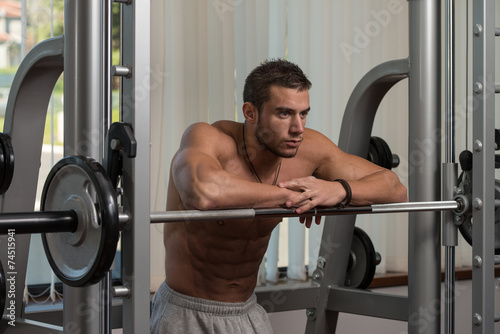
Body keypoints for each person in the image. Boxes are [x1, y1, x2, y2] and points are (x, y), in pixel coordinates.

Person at [150, 59, 407, 334]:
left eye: (303, 114)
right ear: (250, 112)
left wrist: (337, 190)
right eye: (284, 114)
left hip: (247, 312)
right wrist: (294, 195)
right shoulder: (209, 138)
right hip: (188, 313)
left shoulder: (309, 148)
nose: (298, 128)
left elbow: (395, 188)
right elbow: (202, 192)